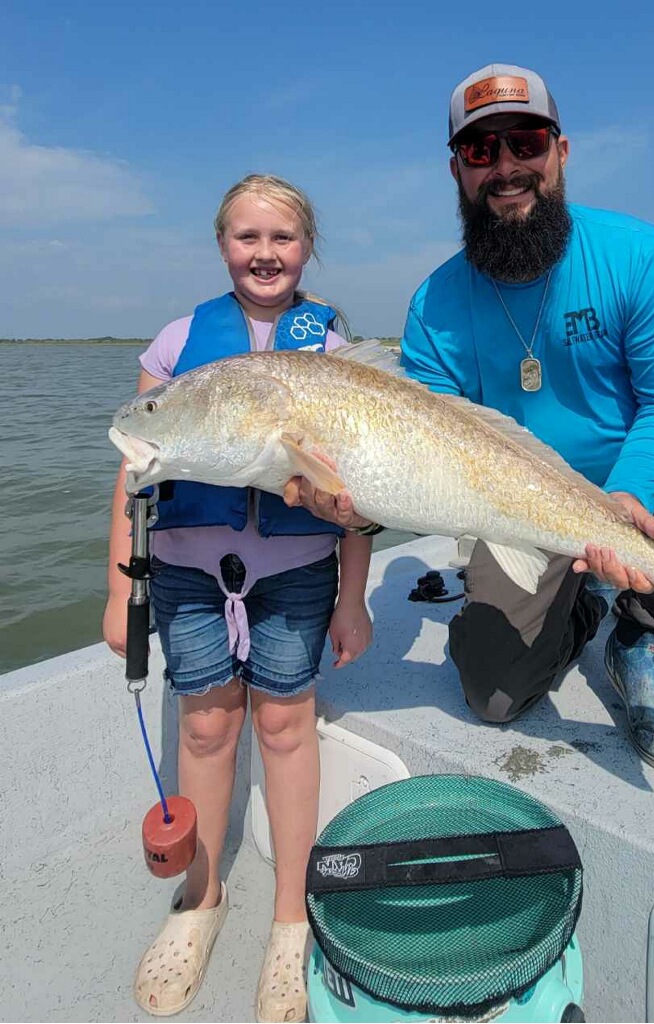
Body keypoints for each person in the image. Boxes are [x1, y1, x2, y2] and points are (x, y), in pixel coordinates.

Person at [289, 64, 654, 778]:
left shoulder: (639, 256)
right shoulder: (433, 305)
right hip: (513, 504)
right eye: (478, 151)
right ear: (456, 169)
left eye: (524, 142)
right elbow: (421, 459)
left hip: (632, 482)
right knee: (493, 695)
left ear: (560, 150)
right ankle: (581, 599)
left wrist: (622, 504)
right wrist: (352, 509)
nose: (505, 167)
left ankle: (642, 639)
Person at [103, 174, 375, 1022]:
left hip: (296, 570)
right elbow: (134, 466)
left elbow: (361, 494)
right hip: (186, 563)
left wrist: (353, 598)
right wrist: (120, 589)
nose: (265, 254)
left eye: (283, 239)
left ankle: (290, 919)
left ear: (307, 249)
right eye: (247, 237)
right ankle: (201, 897)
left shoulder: (333, 355)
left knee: (286, 725)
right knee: (205, 723)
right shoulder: (180, 339)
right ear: (223, 244)